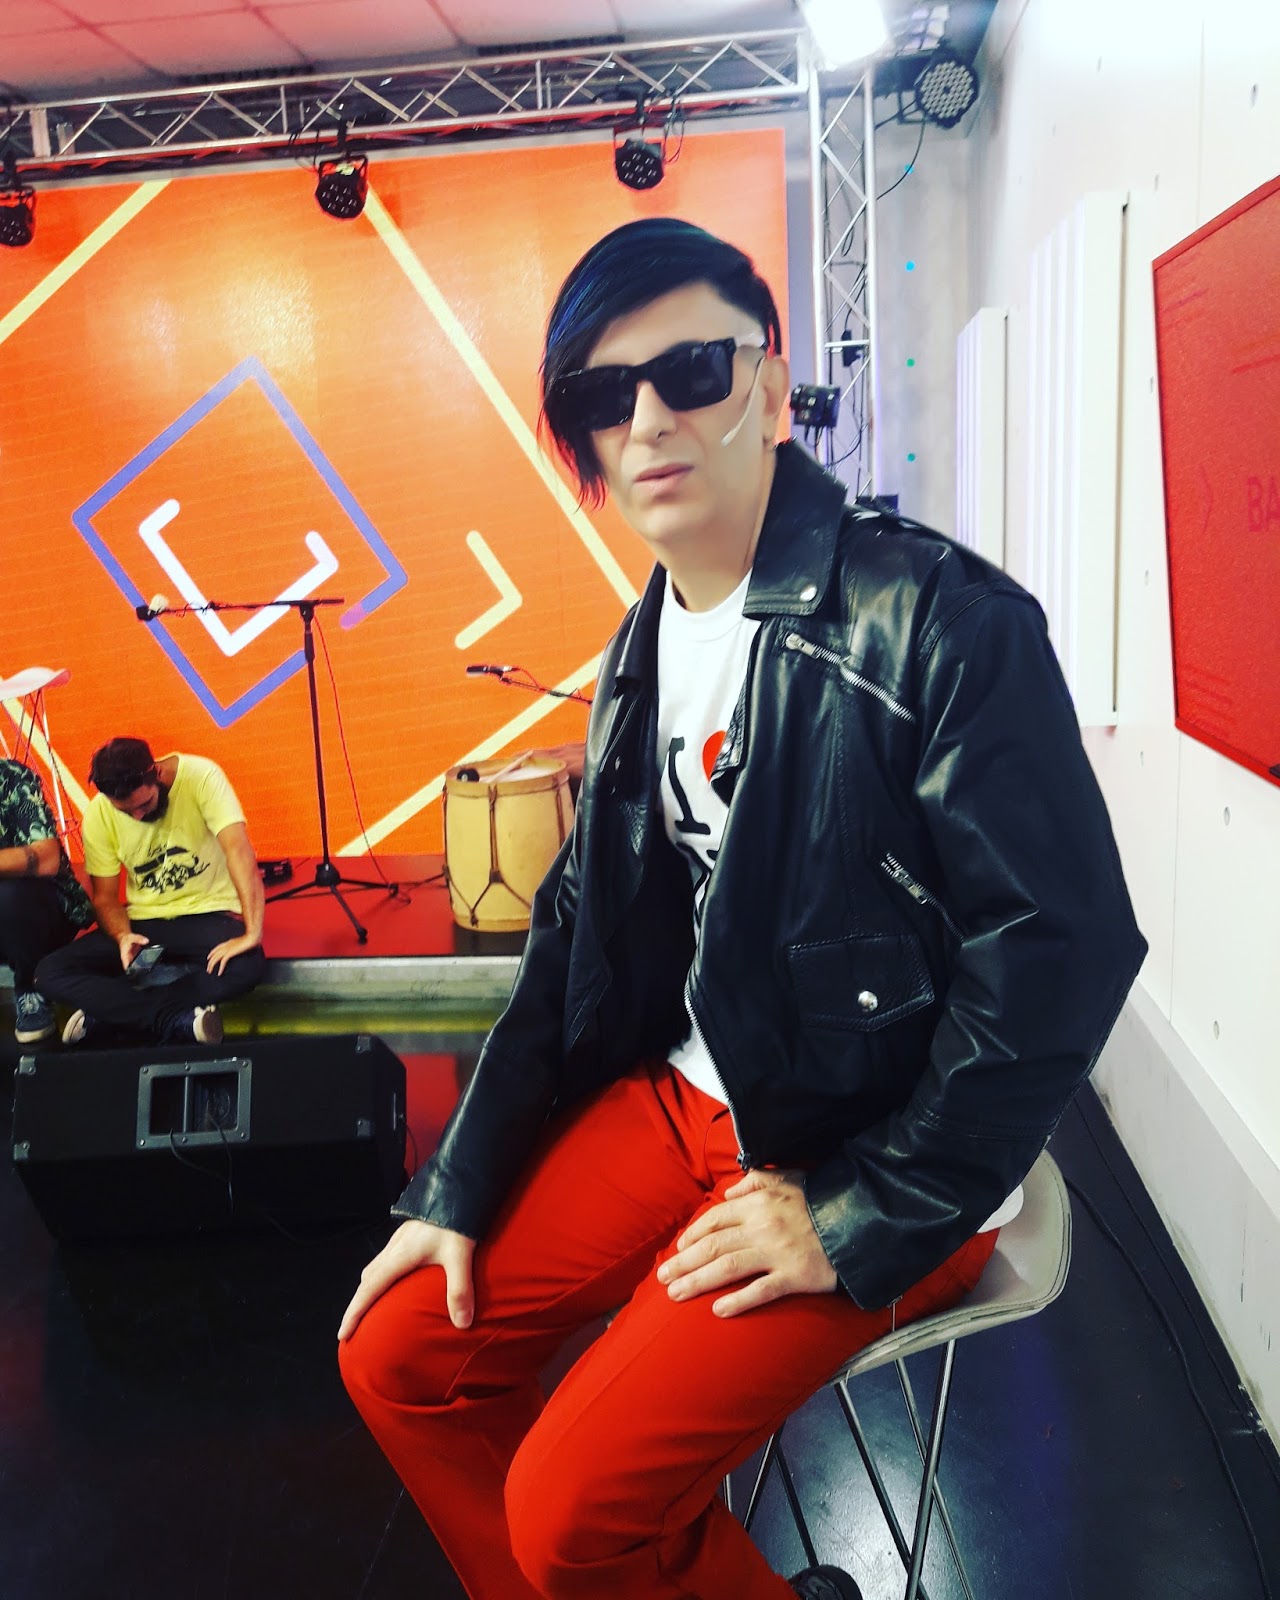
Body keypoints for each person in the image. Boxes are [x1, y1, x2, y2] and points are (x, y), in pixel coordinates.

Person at [337, 219, 1147, 1600]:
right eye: (606, 396)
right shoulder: (641, 648)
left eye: (692, 371)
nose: (649, 419)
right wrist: (459, 1181)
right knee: (398, 1353)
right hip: (688, 1100)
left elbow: (1059, 951)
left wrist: (860, 1206)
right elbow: (571, 935)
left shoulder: (941, 618)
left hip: (877, 1142)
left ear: (771, 386)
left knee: (570, 1510)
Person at [36, 738, 266, 1046]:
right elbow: (105, 898)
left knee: (248, 966)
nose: (138, 817)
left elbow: (238, 850)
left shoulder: (201, 775)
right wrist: (123, 936)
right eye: (126, 811)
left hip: (207, 914)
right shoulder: (99, 813)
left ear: (156, 772)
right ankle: (174, 1019)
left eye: (144, 805)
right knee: (49, 972)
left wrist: (252, 933)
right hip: (144, 924)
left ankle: (110, 1017)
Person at [0, 758, 94, 1043]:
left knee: (12, 893)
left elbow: (48, 858)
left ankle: (30, 990)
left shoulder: (11, 777)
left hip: (38, 913)